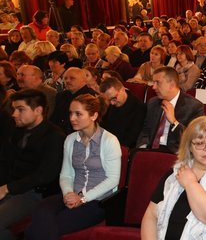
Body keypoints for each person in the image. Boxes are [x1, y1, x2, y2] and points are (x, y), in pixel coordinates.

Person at [26, 94, 121, 240]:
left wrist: (82, 199)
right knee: (42, 209)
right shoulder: (70, 139)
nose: (72, 118)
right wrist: (68, 194)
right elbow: (66, 174)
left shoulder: (109, 140)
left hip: (97, 201)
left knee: (38, 229)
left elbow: (113, 180)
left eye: (78, 114)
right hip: (72, 195)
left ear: (94, 115)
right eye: (70, 113)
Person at [141, 116, 206, 239]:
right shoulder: (177, 171)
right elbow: (151, 215)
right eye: (199, 143)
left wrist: (190, 183)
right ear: (189, 146)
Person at [0, 89, 65, 240]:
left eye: (20, 109)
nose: (14, 114)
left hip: (35, 192)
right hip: (12, 186)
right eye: (14, 109)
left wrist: (8, 188)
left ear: (38, 110)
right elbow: (6, 162)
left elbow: (44, 176)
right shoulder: (17, 130)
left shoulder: (55, 137)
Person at [136, 67, 204, 153]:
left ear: (171, 85)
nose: (153, 87)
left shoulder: (194, 106)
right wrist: (142, 147)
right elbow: (146, 130)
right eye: (153, 82)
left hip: (175, 153)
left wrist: (174, 122)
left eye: (158, 83)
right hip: (151, 149)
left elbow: (194, 138)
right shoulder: (153, 103)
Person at [100, 76, 147, 148]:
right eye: (108, 100)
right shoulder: (111, 104)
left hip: (122, 148)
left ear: (122, 89)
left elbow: (131, 139)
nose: (112, 103)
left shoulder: (139, 108)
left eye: (114, 98)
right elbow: (103, 127)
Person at [50, 68, 98, 134]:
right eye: (65, 78)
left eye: (72, 78)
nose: (67, 81)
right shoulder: (61, 95)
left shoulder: (90, 96)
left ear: (83, 80)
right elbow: (54, 118)